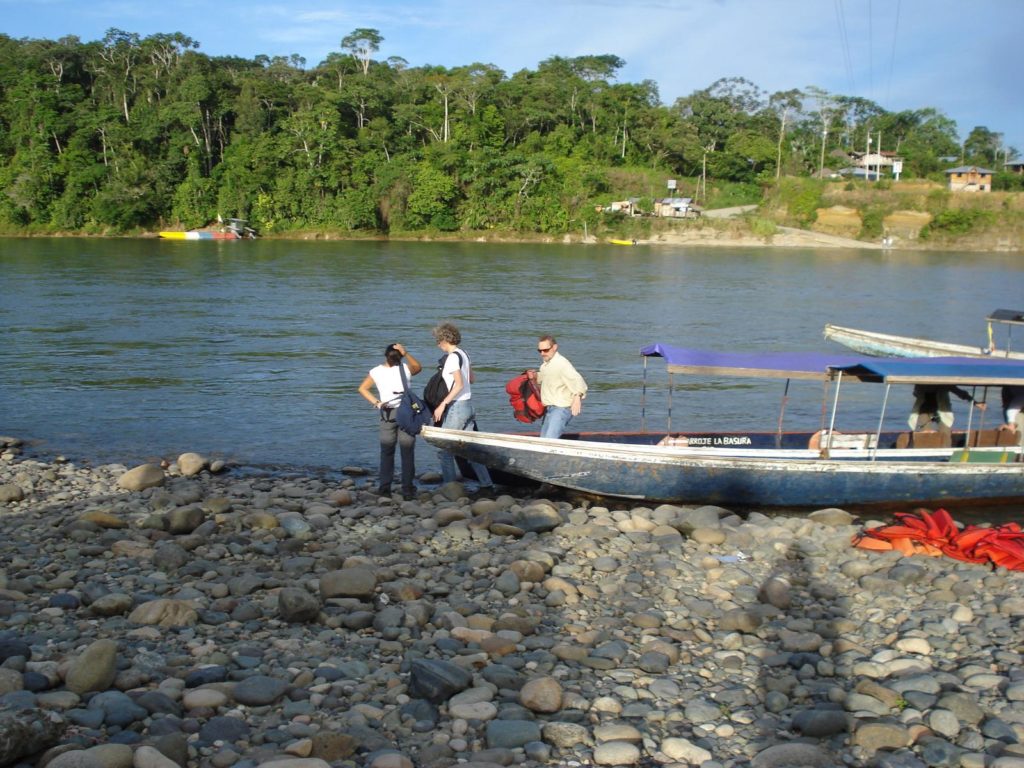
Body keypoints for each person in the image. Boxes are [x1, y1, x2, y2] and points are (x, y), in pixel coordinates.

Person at [431, 322, 494, 491]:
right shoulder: (464, 354)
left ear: (444, 340)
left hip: (457, 408)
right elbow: (471, 379)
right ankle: (486, 485)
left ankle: (450, 488)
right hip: (468, 406)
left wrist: (442, 405)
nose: (438, 345)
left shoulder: (452, 358)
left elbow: (458, 384)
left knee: (444, 449)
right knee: (472, 450)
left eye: (438, 341)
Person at [358, 342, 422, 499]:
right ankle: (407, 490)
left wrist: (377, 403)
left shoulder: (376, 372)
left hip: (387, 413)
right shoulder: (405, 369)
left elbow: (362, 389)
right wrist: (406, 353)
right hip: (406, 413)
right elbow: (418, 367)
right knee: (407, 453)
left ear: (385, 356)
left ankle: (385, 489)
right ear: (400, 356)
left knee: (387, 452)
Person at [529, 334, 588, 439]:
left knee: (549, 440)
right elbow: (545, 378)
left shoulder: (562, 364)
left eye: (546, 350)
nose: (542, 353)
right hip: (549, 409)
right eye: (540, 351)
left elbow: (578, 380)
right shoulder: (545, 365)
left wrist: (577, 397)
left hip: (561, 409)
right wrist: (535, 376)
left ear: (555, 347)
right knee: (543, 440)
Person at [907, 384, 985, 437]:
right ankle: (924, 451)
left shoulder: (944, 383)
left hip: (942, 411)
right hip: (924, 410)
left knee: (945, 432)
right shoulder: (921, 382)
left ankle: (945, 452)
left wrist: (975, 403)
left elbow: (960, 393)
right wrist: (975, 403)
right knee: (924, 433)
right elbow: (916, 393)